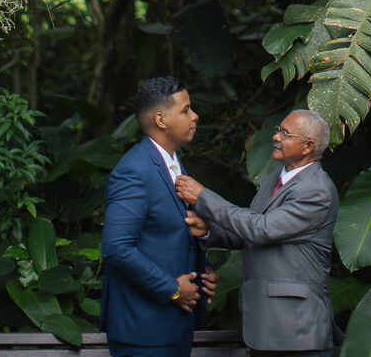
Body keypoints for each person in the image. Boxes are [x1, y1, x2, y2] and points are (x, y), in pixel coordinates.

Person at [175, 110, 339, 357]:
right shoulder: (275, 177)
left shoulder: (316, 190)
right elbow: (250, 231)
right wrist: (210, 230)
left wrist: (203, 197)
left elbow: (262, 229)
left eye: (285, 133)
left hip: (296, 330)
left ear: (308, 146)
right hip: (267, 326)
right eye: (278, 130)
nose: (275, 137)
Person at [100, 77, 216, 357]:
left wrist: (204, 271)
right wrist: (172, 289)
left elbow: (171, 231)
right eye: (186, 110)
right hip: (144, 330)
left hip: (173, 326)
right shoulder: (134, 171)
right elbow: (116, 248)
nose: (194, 116)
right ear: (161, 120)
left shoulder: (173, 163)